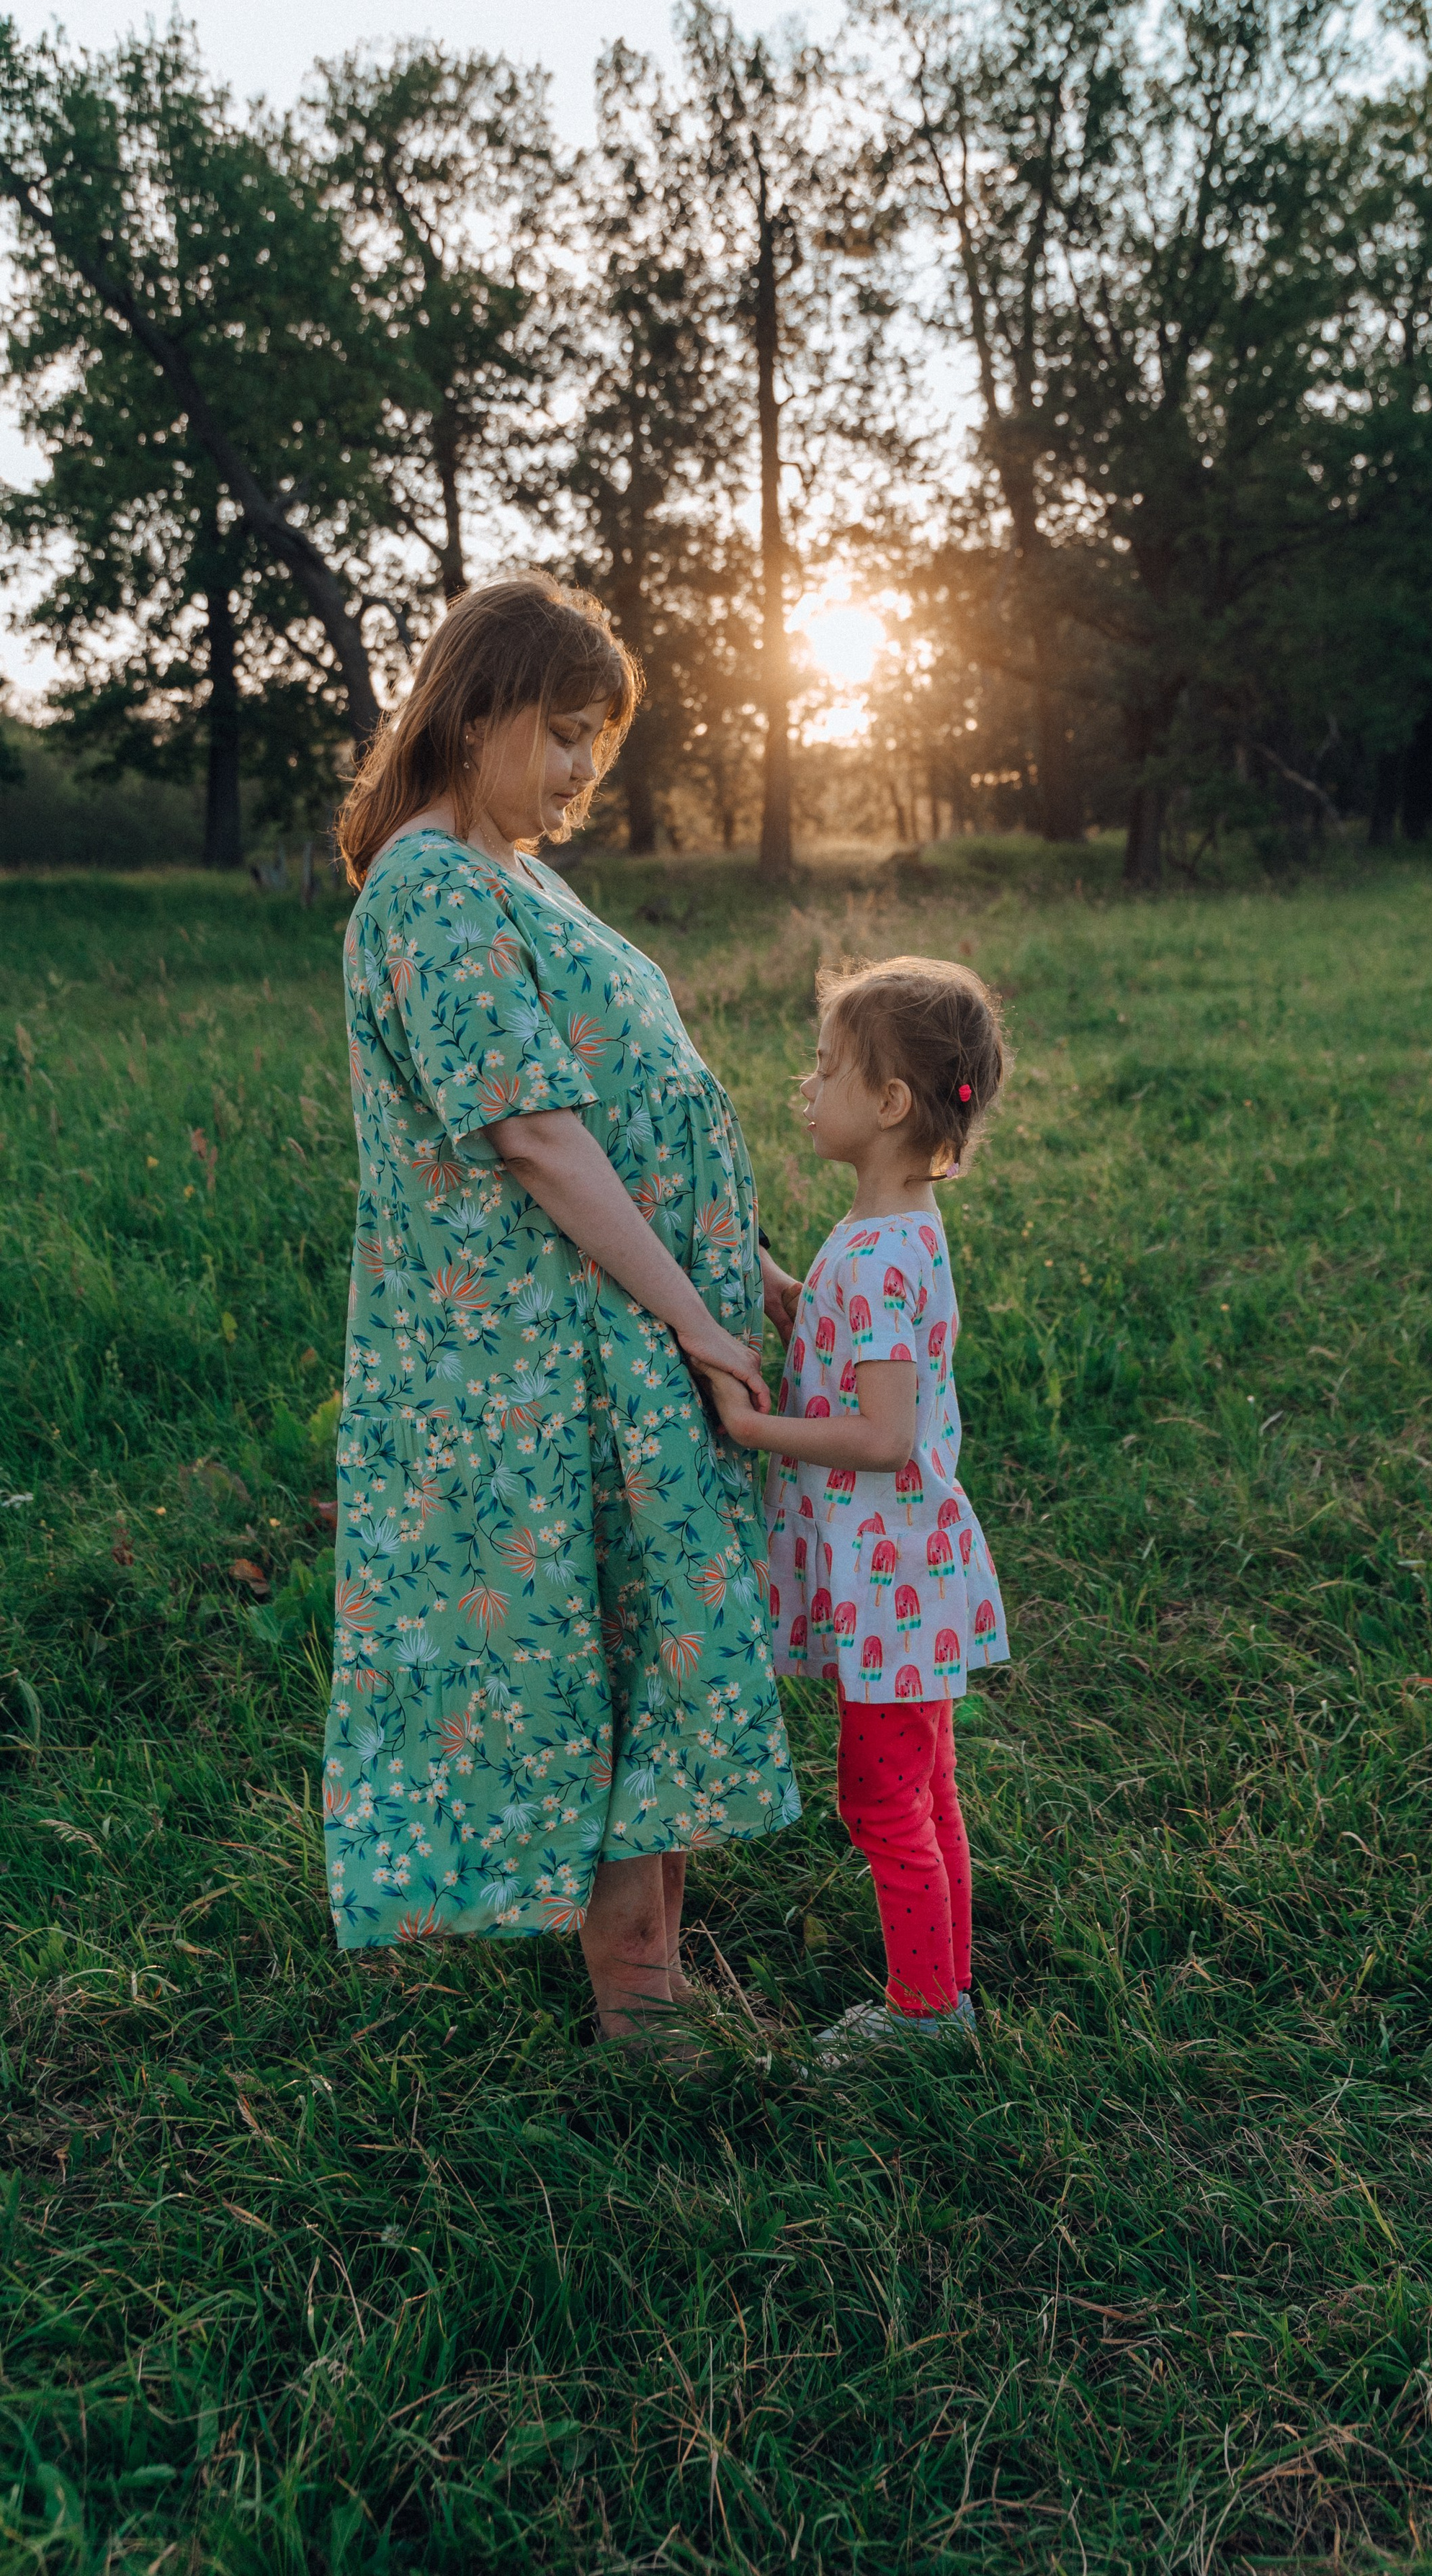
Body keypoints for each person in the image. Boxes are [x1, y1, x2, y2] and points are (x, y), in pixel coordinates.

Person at [323, 571, 801, 2042]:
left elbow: (626, 1090)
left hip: (618, 1321)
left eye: (602, 736)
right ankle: (637, 2004)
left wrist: (752, 1265)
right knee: (601, 1641)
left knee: (653, 1632)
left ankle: (653, 1968)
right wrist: (696, 1320)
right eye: (564, 729)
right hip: (542, 1352)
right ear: (474, 711)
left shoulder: (510, 867)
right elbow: (534, 1133)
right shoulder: (426, 885)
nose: (586, 765)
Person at [705, 956, 1009, 2059]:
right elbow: (861, 1359)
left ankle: (927, 2015)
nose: (810, 1085)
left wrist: (753, 1430)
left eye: (829, 1068)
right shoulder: (892, 1233)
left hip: (886, 1581)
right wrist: (793, 1295)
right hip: (908, 1576)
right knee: (926, 1789)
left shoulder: (883, 1254)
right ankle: (948, 1990)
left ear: (889, 1104)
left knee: (883, 1803)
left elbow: (881, 1438)